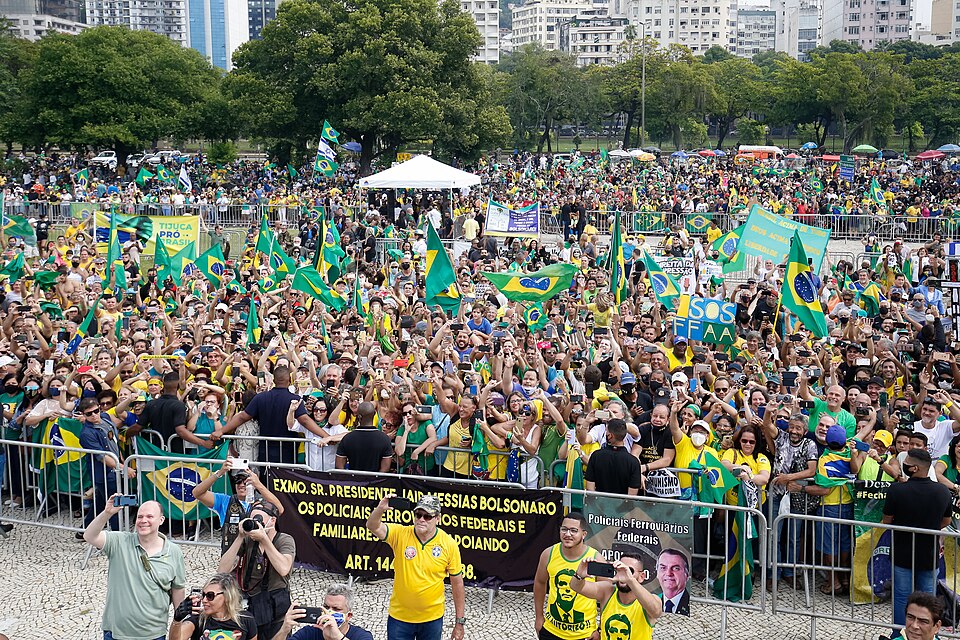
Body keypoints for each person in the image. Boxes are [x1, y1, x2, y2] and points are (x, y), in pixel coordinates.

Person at [83, 498, 187, 640]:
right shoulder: (119, 542)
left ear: (161, 520)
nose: (143, 520)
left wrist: (178, 623)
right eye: (140, 516)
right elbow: (89, 536)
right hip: (116, 633)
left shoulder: (174, 552)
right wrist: (107, 513)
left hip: (154, 634)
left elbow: (178, 589)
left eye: (150, 516)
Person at [366, 494, 466, 640]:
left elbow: (457, 583)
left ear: (438, 518)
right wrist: (380, 509)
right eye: (418, 514)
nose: (421, 520)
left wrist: (459, 622)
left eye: (427, 516)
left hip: (432, 619)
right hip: (399, 617)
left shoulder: (448, 544)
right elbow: (372, 526)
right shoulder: (400, 534)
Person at [882, 448, 952, 636]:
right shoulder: (942, 491)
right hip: (929, 554)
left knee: (901, 597)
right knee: (929, 601)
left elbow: (887, 521)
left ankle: (898, 636)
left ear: (913, 468)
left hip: (901, 553)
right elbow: (946, 521)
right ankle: (929, 635)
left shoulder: (896, 490)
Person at [218, 500, 296, 640]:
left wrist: (264, 539)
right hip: (250, 605)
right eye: (253, 519)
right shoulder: (248, 540)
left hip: (274, 607)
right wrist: (240, 537)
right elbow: (222, 570)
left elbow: (284, 568)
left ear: (272, 521)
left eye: (259, 519)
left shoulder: (284, 540)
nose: (256, 523)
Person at [215, 366, 325, 464]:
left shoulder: (261, 397)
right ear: (290, 380)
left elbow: (242, 416)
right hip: (288, 451)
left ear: (273, 380)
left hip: (265, 450)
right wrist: (325, 436)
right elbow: (305, 420)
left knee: (266, 480)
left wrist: (221, 431)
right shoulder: (294, 399)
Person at [192, 458, 286, 553]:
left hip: (254, 556)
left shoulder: (262, 502)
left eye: (246, 481)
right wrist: (219, 473)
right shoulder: (225, 501)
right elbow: (197, 493)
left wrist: (258, 485)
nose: (241, 484)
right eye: (238, 480)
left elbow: (279, 509)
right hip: (231, 555)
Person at [533, 512, 599, 640]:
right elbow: (540, 582)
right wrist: (539, 617)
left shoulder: (595, 559)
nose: (567, 534)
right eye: (564, 529)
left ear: (584, 534)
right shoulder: (548, 554)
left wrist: (600, 629)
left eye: (573, 530)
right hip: (551, 631)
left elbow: (607, 596)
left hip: (585, 634)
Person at [569, 554, 663, 640]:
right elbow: (576, 586)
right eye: (620, 569)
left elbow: (656, 612)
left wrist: (630, 580)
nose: (624, 573)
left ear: (642, 576)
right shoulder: (607, 591)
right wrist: (579, 575)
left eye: (630, 570)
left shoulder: (648, 600)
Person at [170, 572, 258, 640]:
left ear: (227, 596)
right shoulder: (198, 619)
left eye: (210, 596)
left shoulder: (246, 620)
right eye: (203, 595)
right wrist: (177, 620)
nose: (204, 600)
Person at [272, 584, 374, 640]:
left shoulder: (361, 636)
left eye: (336, 609)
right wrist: (284, 630)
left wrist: (337, 637)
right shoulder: (309, 632)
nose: (329, 613)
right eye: (326, 607)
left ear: (349, 616)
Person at [583, 418, 642, 496]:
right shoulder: (633, 462)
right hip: (623, 506)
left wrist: (598, 506)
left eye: (606, 432)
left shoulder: (596, 456)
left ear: (610, 436)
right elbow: (632, 495)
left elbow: (590, 489)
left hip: (599, 505)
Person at [335, 400, 393, 472]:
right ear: (374, 413)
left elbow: (339, 465)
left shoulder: (347, 438)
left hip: (353, 481)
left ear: (358, 416)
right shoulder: (385, 439)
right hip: (376, 482)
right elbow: (385, 468)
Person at [656, 549, 690, 616]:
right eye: (663, 568)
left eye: (676, 568)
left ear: (686, 575)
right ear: (657, 573)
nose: (668, 573)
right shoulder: (653, 601)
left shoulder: (688, 605)